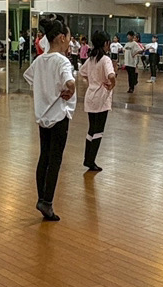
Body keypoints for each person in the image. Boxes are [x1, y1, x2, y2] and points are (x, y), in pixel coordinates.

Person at [23, 14, 76, 221]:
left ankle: (41, 198)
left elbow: (29, 77)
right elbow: (70, 82)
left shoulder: (39, 60)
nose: (69, 41)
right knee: (55, 159)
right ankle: (47, 202)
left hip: (42, 115)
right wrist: (70, 91)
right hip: (59, 115)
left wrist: (43, 89)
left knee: (44, 156)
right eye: (69, 38)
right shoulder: (62, 61)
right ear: (61, 37)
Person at [79, 30, 116, 172]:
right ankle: (91, 161)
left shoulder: (91, 59)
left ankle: (87, 159)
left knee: (91, 129)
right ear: (106, 43)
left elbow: (82, 72)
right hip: (101, 98)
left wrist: (92, 81)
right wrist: (111, 85)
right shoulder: (105, 59)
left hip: (90, 96)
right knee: (98, 131)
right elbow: (111, 75)